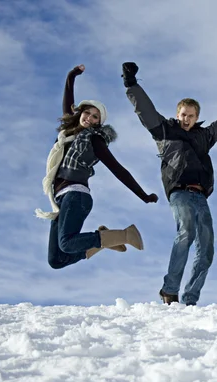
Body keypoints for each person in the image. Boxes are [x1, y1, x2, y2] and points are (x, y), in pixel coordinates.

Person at [121, 61, 217, 305]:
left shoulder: (203, 137)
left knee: (207, 249)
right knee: (187, 233)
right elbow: (146, 110)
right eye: (183, 115)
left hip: (201, 196)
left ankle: (190, 299)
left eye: (191, 116)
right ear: (177, 113)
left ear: (197, 117)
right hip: (179, 192)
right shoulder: (165, 131)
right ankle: (169, 290)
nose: (186, 119)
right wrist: (131, 84)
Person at [35, 64, 159, 270]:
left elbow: (118, 169)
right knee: (56, 260)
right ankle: (105, 239)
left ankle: (124, 235)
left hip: (77, 195)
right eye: (87, 113)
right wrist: (71, 75)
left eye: (95, 117)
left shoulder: (94, 139)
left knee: (67, 243)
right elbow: (68, 104)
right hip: (61, 200)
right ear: (80, 112)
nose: (89, 118)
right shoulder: (68, 134)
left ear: (98, 123)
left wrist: (143, 195)